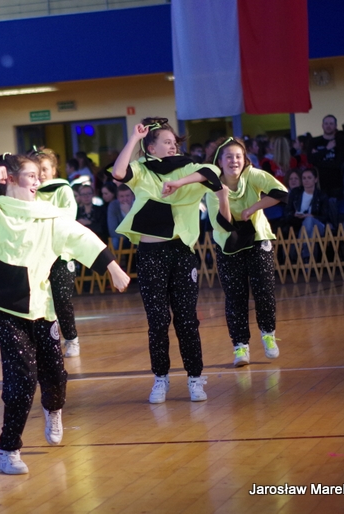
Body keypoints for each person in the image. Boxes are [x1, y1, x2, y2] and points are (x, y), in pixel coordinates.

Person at [0, 153, 130, 475]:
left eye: (39, 175)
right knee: (22, 376)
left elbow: (82, 238)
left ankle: (53, 409)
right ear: (10, 178)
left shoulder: (49, 216)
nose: (38, 181)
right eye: (31, 175)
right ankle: (8, 449)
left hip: (41, 307)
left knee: (54, 373)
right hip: (4, 307)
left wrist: (113, 267)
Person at [111, 117, 223, 404]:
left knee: (187, 320)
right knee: (158, 321)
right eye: (167, 142)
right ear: (151, 148)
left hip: (181, 253)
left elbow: (213, 172)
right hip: (151, 256)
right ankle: (160, 378)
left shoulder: (187, 166)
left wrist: (179, 182)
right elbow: (118, 172)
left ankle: (195, 378)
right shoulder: (141, 169)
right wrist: (134, 139)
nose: (173, 147)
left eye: (175, 142)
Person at [201, 138, 288, 367]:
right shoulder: (212, 187)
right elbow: (224, 224)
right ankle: (240, 346)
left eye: (238, 156)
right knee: (235, 297)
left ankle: (268, 335)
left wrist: (253, 207)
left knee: (264, 291)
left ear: (245, 159)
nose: (234, 161)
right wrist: (223, 196)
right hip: (228, 244)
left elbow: (281, 192)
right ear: (220, 161)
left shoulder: (253, 175)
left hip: (258, 238)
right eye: (229, 157)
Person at [35, 150, 82, 358]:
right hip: (37, 257)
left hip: (61, 254)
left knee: (62, 300)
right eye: (37, 170)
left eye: (45, 169)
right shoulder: (30, 192)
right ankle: (49, 342)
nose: (41, 173)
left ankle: (71, 339)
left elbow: (68, 217)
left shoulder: (63, 190)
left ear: (54, 170)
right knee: (41, 302)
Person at [309, 114, 344, 200]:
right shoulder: (314, 141)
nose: (328, 126)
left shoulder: (340, 142)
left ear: (335, 126)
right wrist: (327, 149)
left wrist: (318, 156)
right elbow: (310, 160)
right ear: (322, 125)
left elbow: (338, 163)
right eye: (326, 123)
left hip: (336, 183)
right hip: (319, 183)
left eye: (331, 123)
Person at [285, 168, 330, 238]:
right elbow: (287, 211)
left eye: (309, 178)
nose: (306, 180)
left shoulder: (322, 195)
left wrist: (311, 216)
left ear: (315, 179)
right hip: (298, 223)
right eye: (304, 178)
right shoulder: (295, 193)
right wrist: (294, 214)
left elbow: (325, 217)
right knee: (307, 226)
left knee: (309, 220)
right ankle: (308, 245)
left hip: (317, 224)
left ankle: (303, 244)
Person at [107, 184, 134, 249]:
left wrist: (128, 213)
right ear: (118, 197)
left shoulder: (138, 205)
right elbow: (112, 230)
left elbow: (139, 227)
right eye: (122, 196)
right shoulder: (113, 205)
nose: (125, 199)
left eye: (127, 196)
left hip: (136, 237)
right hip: (120, 237)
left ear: (132, 196)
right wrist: (128, 235)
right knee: (114, 241)